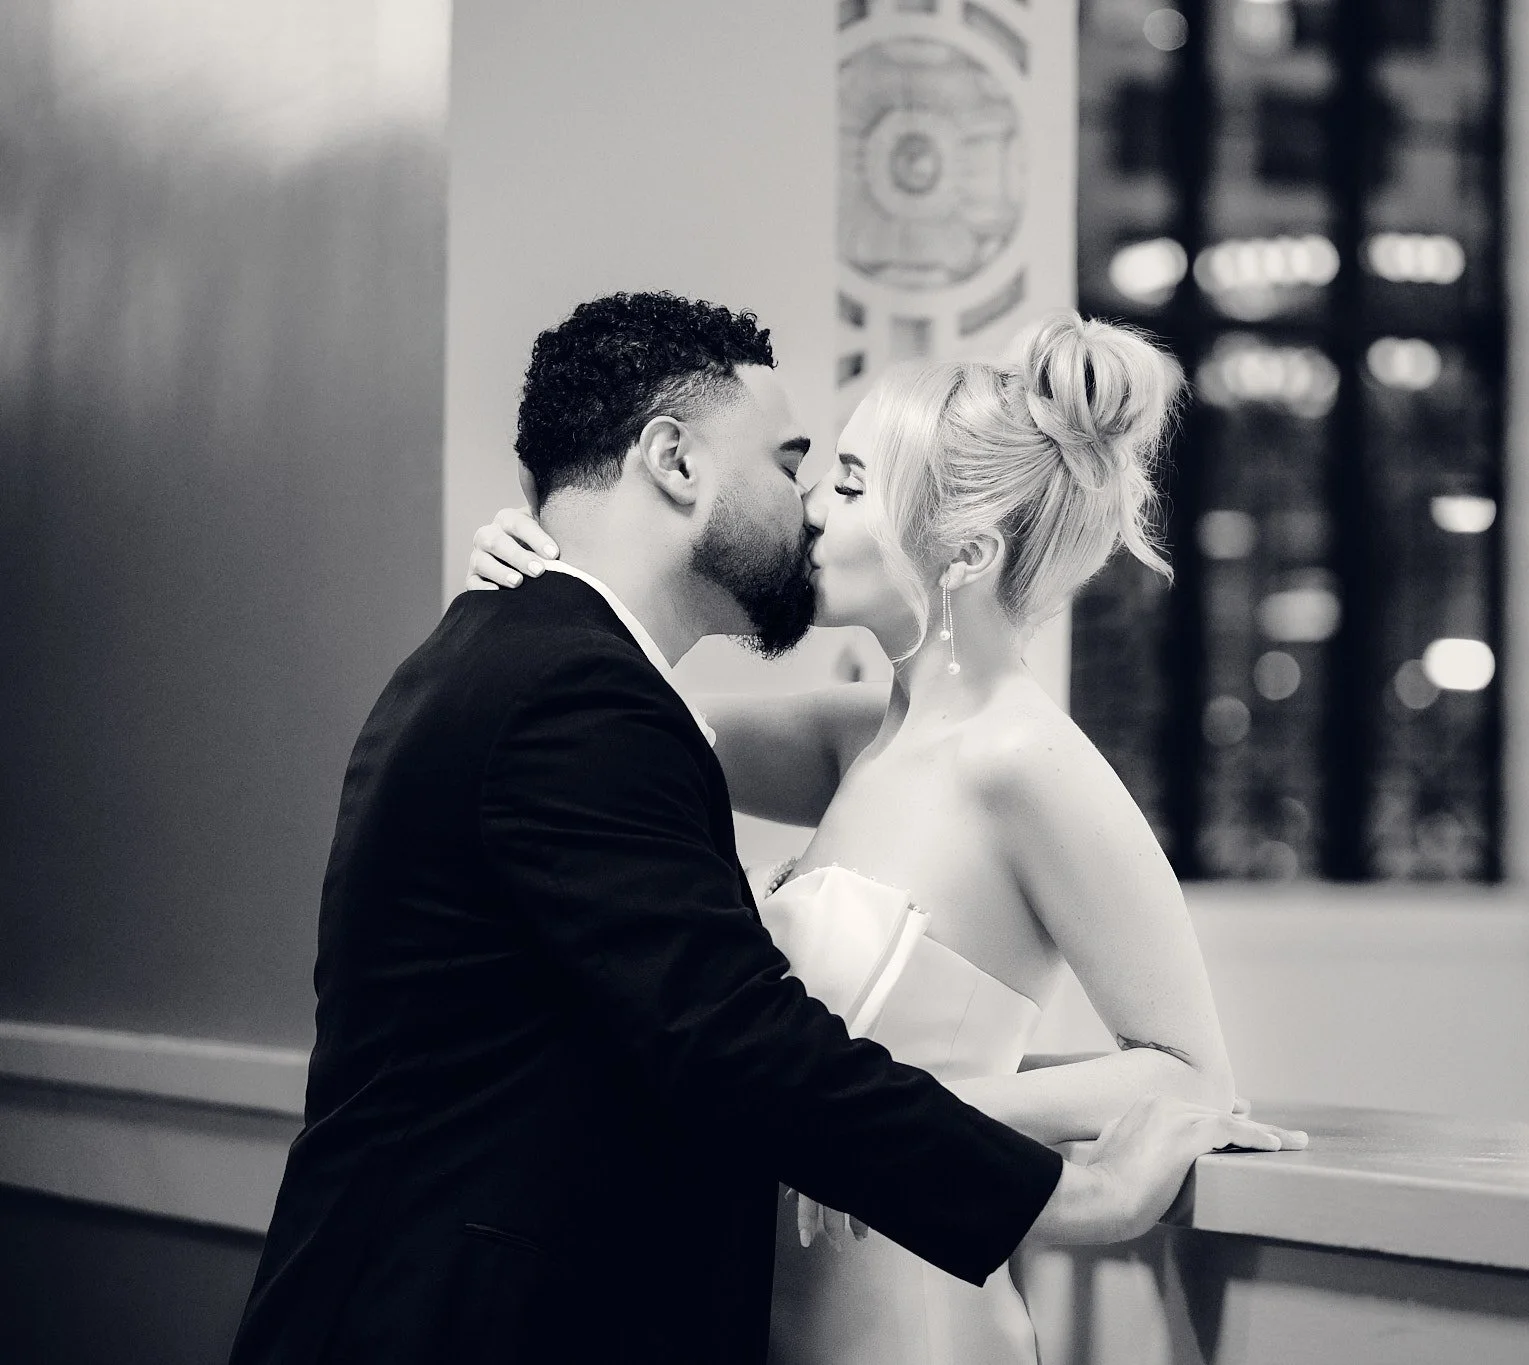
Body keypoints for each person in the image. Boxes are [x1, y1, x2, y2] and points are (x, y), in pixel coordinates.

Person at [231, 293, 1302, 1365]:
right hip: (645, 1305)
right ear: (674, 462)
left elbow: (1181, 1068)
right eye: (801, 470)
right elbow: (617, 724)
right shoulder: (799, 730)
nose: (808, 510)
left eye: (840, 480)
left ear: (961, 550)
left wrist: (979, 1135)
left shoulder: (1022, 761)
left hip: (905, 1315)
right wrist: (543, 555)